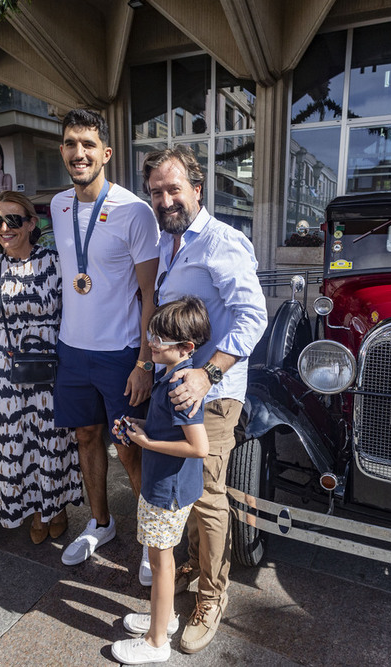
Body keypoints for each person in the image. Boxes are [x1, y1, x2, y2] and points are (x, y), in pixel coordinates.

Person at [143, 146, 268, 654]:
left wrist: (206, 374)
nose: (165, 198)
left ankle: (212, 597)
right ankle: (194, 563)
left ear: (198, 189)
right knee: (186, 491)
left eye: (174, 189)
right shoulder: (169, 242)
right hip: (176, 388)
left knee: (209, 497)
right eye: (156, 191)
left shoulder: (222, 241)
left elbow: (252, 316)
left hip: (212, 395)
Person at [51, 109, 160, 580]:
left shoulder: (135, 212)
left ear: (106, 153)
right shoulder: (57, 206)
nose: (80, 153)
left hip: (121, 353)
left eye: (89, 145)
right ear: (63, 151)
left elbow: (151, 293)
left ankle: (151, 542)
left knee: (130, 447)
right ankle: (101, 523)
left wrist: (144, 362)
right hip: (72, 350)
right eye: (72, 144)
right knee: (87, 436)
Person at [0, 191, 82, 543]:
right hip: (6, 366)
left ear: (31, 223)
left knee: (51, 441)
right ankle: (36, 511)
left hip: (49, 362)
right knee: (15, 443)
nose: (4, 228)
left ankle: (57, 508)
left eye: (13, 220)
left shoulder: (55, 262)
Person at [110, 296, 210, 665]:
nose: (151, 343)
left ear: (186, 348)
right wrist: (140, 427)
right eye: (152, 335)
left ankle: (156, 642)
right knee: (159, 557)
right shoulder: (171, 377)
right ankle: (162, 619)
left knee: (161, 561)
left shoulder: (178, 387)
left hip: (166, 489)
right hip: (165, 485)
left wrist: (146, 442)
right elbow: (169, 428)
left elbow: (199, 446)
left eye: (160, 340)